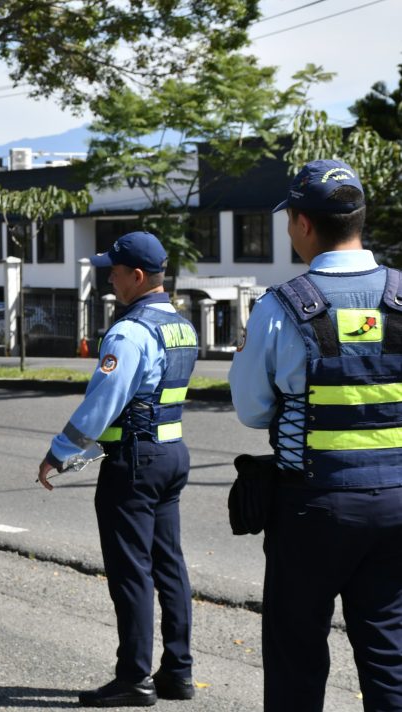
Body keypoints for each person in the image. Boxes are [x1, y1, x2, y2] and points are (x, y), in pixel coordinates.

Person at [229, 159, 402, 711]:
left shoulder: (280, 308)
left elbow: (253, 411)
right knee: (389, 653)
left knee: (296, 656)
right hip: (398, 504)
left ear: (302, 223)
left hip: (313, 507)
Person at [37, 231, 198, 707]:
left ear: (138, 276)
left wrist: (59, 453)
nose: (110, 277)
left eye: (115, 270)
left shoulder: (129, 332)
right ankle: (178, 672)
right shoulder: (182, 326)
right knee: (170, 567)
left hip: (133, 464)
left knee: (131, 574)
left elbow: (103, 402)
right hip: (171, 455)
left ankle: (134, 677)